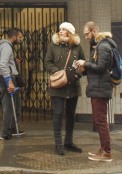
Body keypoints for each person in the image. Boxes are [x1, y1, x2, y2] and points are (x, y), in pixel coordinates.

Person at [75, 21, 116, 162]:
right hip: (97, 87)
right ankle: (103, 149)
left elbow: (101, 67)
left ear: (94, 31)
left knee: (101, 121)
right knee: (99, 121)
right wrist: (84, 69)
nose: (86, 37)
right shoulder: (98, 46)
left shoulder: (103, 46)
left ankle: (107, 152)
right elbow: (96, 68)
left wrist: (85, 64)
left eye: (87, 34)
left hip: (101, 88)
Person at [45, 22, 86, 155]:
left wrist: (76, 74)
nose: (60, 31)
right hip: (58, 86)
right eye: (60, 29)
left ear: (69, 32)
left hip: (73, 85)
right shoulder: (53, 45)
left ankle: (68, 142)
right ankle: (58, 144)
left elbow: (83, 64)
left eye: (63, 29)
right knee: (57, 114)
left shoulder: (77, 47)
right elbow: (47, 62)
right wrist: (57, 72)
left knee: (70, 115)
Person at [0, 27, 25, 140]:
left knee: (15, 105)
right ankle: (5, 132)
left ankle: (12, 128)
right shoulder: (7, 47)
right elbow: (3, 65)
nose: (21, 39)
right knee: (8, 105)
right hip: (6, 79)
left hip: (7, 77)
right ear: (14, 37)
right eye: (20, 37)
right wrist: (9, 82)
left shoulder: (3, 46)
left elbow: (6, 62)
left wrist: (13, 62)